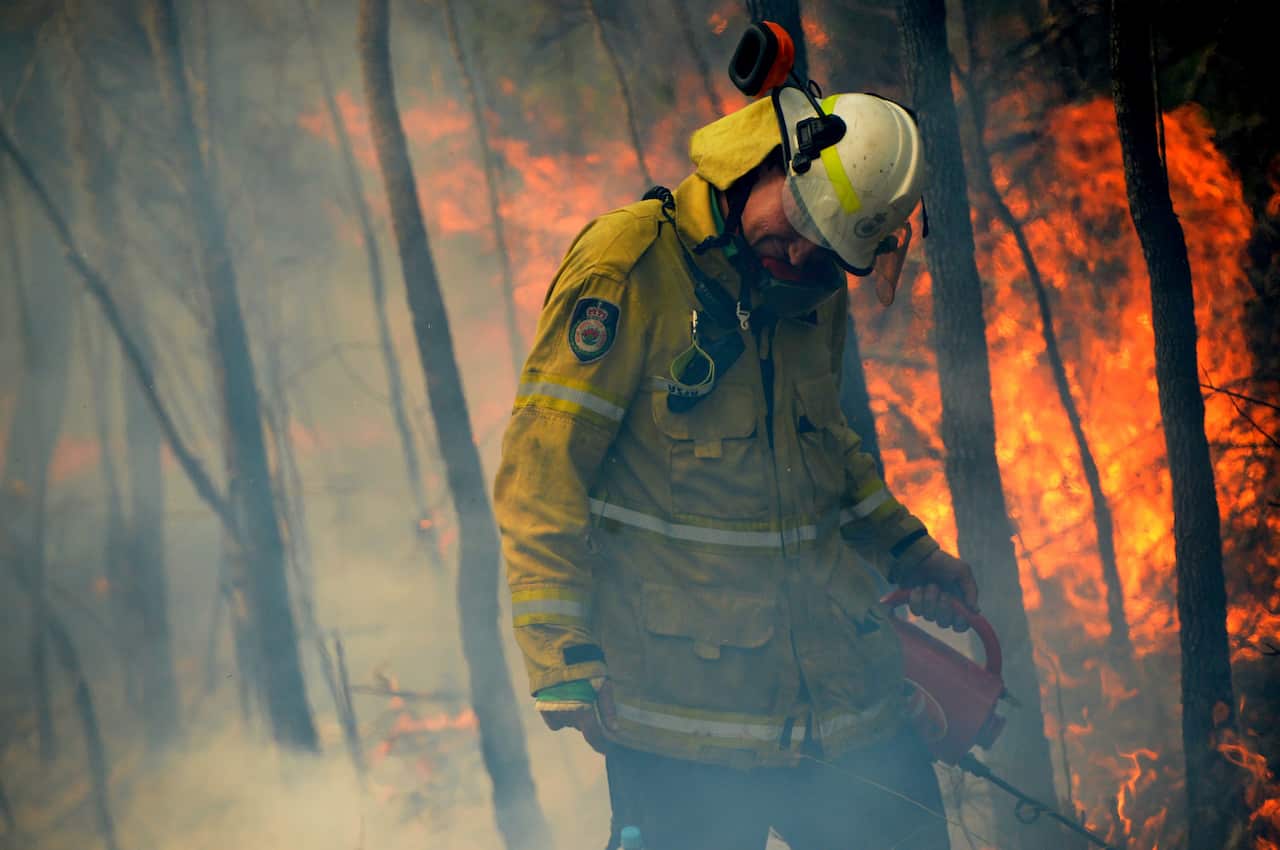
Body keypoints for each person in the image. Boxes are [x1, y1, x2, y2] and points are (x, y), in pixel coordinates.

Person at [493, 82, 978, 850]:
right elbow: (542, 465)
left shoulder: (809, 291)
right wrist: (560, 652)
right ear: (776, 163)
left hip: (843, 709)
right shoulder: (628, 266)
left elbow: (824, 447)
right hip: (685, 729)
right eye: (796, 226)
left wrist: (910, 549)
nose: (795, 256)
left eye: (823, 251)